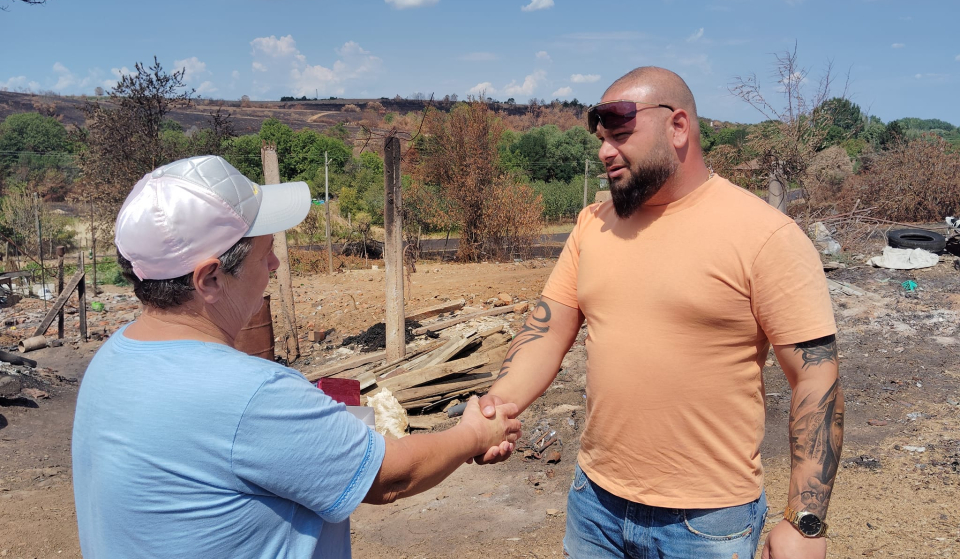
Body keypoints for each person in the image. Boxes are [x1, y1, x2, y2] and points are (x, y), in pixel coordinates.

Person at [72, 155, 520, 559]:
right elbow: (391, 478)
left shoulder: (111, 360)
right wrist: (473, 435)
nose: (275, 267)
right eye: (265, 255)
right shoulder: (250, 394)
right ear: (209, 279)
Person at [477, 67, 843, 559]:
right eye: (602, 138)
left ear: (677, 127)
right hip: (595, 507)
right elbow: (546, 332)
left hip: (708, 523)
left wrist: (805, 523)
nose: (605, 151)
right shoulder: (593, 225)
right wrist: (495, 408)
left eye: (621, 134)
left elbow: (816, 380)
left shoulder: (765, 236)